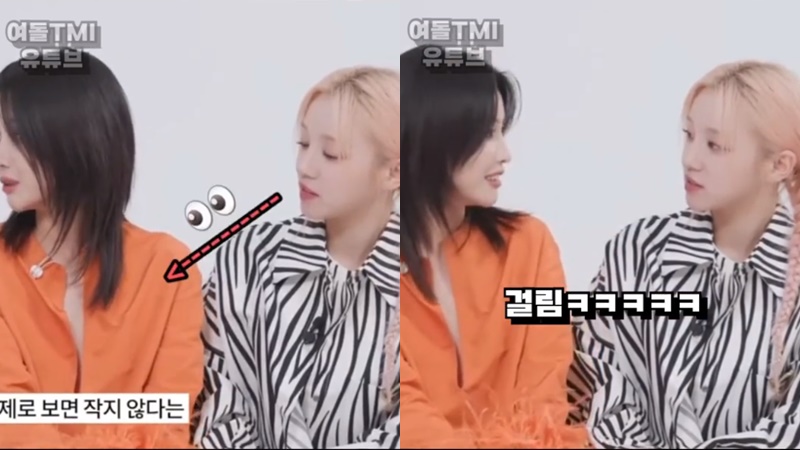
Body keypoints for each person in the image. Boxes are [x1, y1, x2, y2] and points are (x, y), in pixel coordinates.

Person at [571, 61, 800, 448]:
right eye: (688, 135)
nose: (690, 159)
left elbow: (790, 430)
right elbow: (599, 379)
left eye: (714, 145)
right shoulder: (636, 250)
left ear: (779, 165)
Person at [0, 50, 204, 447]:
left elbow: (168, 428)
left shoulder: (169, 270)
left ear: (77, 139)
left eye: (19, 137)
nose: (1, 156)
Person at [192, 66, 400, 449]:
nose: (304, 167)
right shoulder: (248, 255)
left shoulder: (431, 288)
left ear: (394, 172)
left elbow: (416, 430)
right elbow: (217, 399)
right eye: (303, 144)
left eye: (331, 154)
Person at [399, 45, 586, 449]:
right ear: (434, 134)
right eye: (487, 133)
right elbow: (408, 424)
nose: (505, 153)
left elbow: (544, 403)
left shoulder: (529, 245)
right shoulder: (365, 273)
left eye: (502, 132)